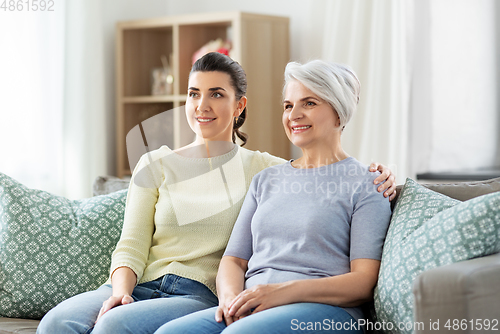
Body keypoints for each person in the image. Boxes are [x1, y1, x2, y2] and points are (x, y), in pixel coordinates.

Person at [37, 53, 395, 334]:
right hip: (153, 284)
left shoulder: (263, 167)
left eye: (216, 94)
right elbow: (135, 245)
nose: (201, 105)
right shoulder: (259, 177)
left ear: (240, 105)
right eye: (194, 94)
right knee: (57, 323)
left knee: (117, 326)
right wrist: (122, 291)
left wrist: (389, 178)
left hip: (200, 293)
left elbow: (334, 180)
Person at [153, 60, 392, 334]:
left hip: (326, 311)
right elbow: (234, 260)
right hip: (253, 305)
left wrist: (280, 292)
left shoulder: (368, 183)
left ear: (339, 113)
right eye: (288, 105)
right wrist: (230, 300)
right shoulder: (266, 179)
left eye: (309, 103)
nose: (294, 115)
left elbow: (362, 282)